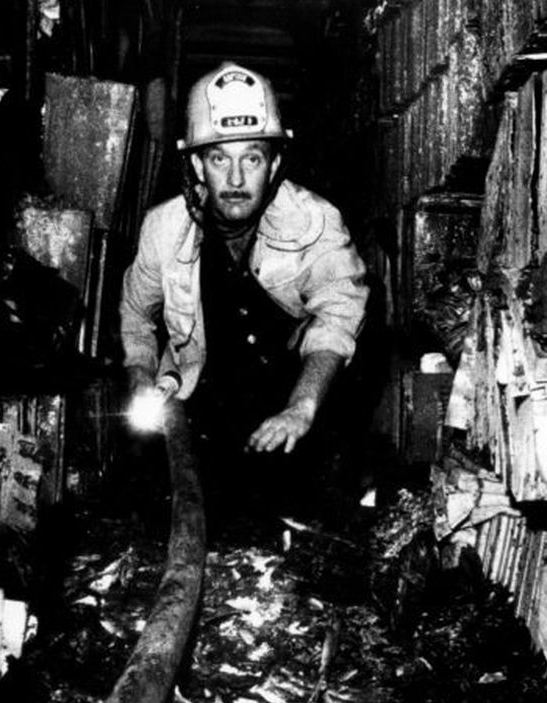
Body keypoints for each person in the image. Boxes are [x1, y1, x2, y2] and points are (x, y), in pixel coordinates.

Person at [119, 61, 369, 524]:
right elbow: (136, 315)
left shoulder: (316, 223)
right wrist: (140, 376)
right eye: (219, 159)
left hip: (291, 417)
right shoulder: (163, 229)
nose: (235, 180)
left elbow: (338, 315)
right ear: (198, 165)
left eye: (251, 159)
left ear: (273, 163)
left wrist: (302, 407)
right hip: (203, 416)